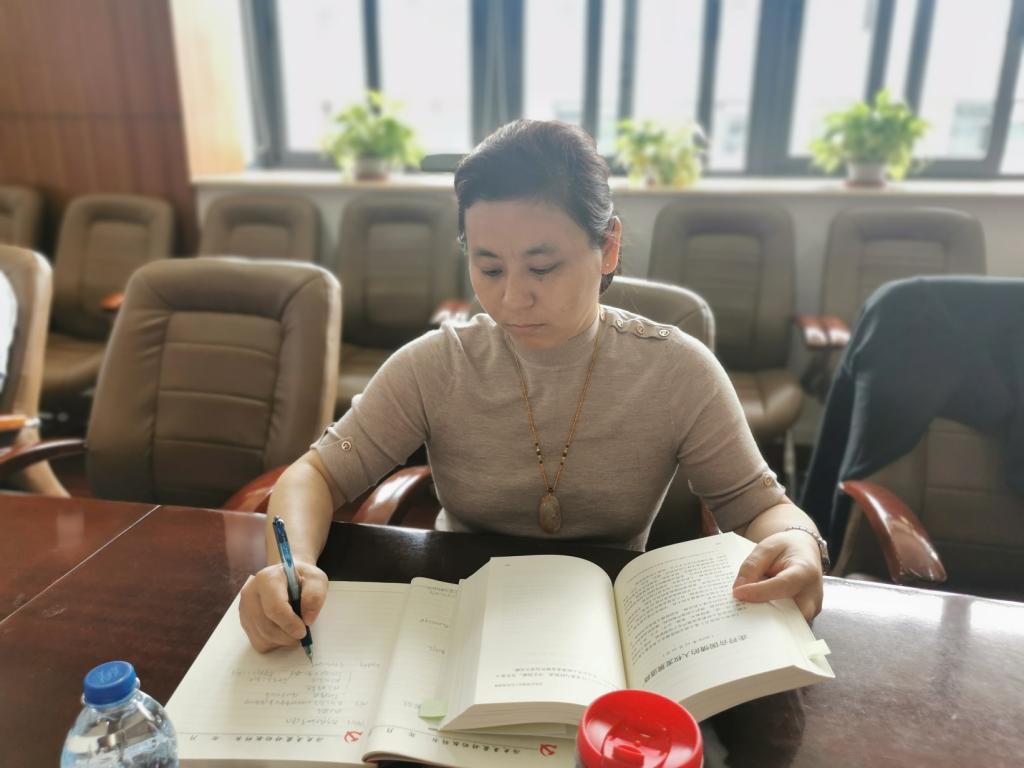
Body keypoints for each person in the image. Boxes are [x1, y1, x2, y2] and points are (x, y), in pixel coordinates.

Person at [239, 120, 826, 653]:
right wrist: (289, 568)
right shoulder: (438, 365)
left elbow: (764, 508)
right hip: (459, 617)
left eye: (543, 268)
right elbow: (316, 475)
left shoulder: (677, 370)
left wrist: (798, 542)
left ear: (608, 248)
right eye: (489, 268)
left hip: (611, 628)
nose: (512, 298)